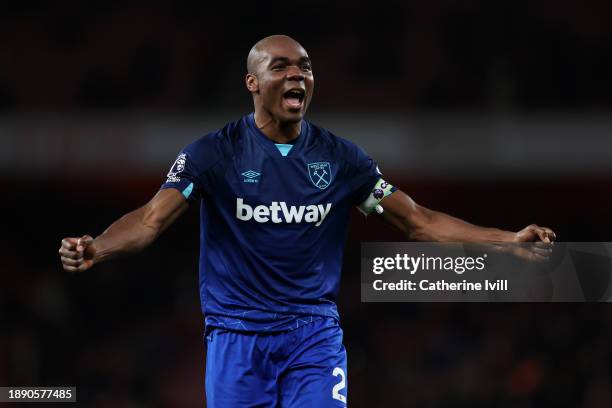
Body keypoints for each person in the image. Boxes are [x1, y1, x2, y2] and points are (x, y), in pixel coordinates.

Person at [58, 35, 556, 407]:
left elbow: (418, 222)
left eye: (305, 67)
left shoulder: (342, 159)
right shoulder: (213, 153)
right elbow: (149, 220)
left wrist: (507, 241)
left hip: (312, 335)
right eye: (281, 67)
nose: (298, 75)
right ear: (253, 83)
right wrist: (98, 246)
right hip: (236, 336)